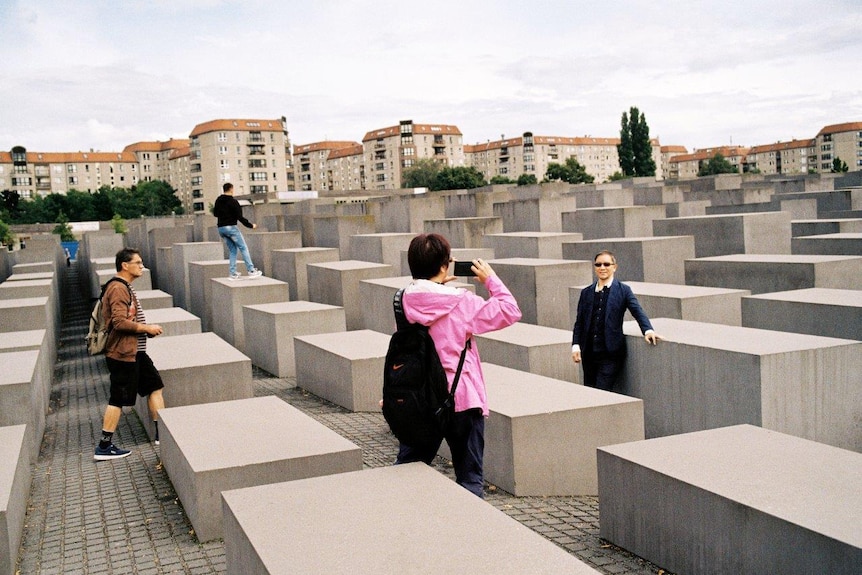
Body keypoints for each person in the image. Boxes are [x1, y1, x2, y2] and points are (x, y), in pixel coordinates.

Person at [395, 233, 521, 497]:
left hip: (419, 398)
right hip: (460, 398)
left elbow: (423, 301)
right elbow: (510, 311)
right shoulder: (461, 302)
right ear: (444, 265)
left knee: (405, 471)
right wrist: (490, 280)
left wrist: (436, 284)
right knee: (470, 479)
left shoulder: (403, 298)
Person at [94, 248, 166, 460]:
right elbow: (118, 322)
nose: (141, 266)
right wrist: (146, 328)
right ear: (125, 265)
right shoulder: (118, 288)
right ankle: (104, 446)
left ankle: (163, 434)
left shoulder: (124, 286)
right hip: (123, 354)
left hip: (136, 352)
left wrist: (145, 332)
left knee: (155, 387)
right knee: (118, 399)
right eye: (138, 263)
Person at [571, 250, 661, 391]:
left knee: (602, 392)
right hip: (588, 354)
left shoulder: (623, 290)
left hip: (610, 354)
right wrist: (575, 345)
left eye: (606, 264)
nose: (602, 267)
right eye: (598, 264)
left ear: (614, 267)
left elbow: (637, 311)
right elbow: (579, 322)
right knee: (589, 391)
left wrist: (648, 330)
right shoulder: (586, 292)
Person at [212, 182, 263, 280]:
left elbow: (215, 214)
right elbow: (240, 217)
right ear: (231, 189)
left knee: (233, 250)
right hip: (231, 228)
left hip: (221, 229)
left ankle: (232, 273)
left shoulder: (218, 200)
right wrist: (251, 225)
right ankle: (251, 270)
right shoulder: (233, 202)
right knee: (243, 248)